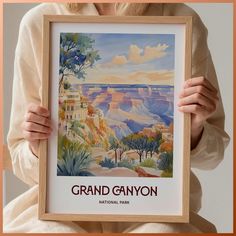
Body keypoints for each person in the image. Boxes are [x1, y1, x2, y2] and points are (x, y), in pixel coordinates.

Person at [4, 2, 230, 233]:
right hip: (58, 208)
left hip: (158, 207)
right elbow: (19, 156)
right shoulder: (39, 22)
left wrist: (194, 129)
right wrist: (35, 144)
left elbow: (213, 157)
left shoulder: (181, 19)